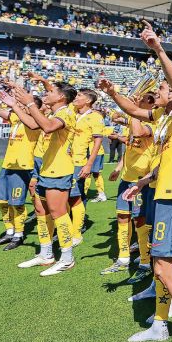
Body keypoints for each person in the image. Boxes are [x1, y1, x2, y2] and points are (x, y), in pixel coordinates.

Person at [100, 21, 172, 342]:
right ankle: (160, 324)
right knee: (165, 263)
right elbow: (134, 110)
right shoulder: (165, 117)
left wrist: (158, 48)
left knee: (161, 265)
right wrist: (113, 93)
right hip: (162, 191)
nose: (159, 89)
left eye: (164, 86)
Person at [7, 81, 79, 277]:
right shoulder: (54, 114)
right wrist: (14, 105)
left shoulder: (66, 113)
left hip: (59, 171)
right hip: (45, 170)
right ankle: (46, 254)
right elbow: (33, 124)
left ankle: (67, 258)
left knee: (58, 213)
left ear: (62, 97)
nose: (46, 94)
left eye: (51, 91)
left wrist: (30, 103)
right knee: (41, 211)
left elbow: (47, 127)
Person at [102, 95, 156, 280]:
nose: (140, 101)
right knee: (122, 217)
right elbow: (117, 120)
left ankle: (145, 262)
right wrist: (119, 168)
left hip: (141, 181)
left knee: (139, 220)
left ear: (151, 105)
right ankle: (123, 258)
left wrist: (132, 109)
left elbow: (139, 132)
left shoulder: (154, 123)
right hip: (127, 178)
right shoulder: (133, 122)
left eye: (145, 100)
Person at [0, 92, 42, 251]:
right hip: (8, 165)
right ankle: (9, 231)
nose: (19, 105)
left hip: (23, 167)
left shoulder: (37, 121)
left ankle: (19, 234)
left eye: (23, 104)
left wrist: (15, 105)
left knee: (16, 203)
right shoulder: (15, 118)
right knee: (2, 201)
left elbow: (32, 124)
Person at [68, 89, 104, 246]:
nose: (76, 98)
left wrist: (89, 164)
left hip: (78, 162)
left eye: (79, 96)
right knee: (64, 197)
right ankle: (68, 226)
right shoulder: (71, 111)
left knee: (75, 196)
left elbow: (97, 142)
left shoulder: (95, 117)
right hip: (63, 161)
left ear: (88, 101)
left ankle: (76, 232)